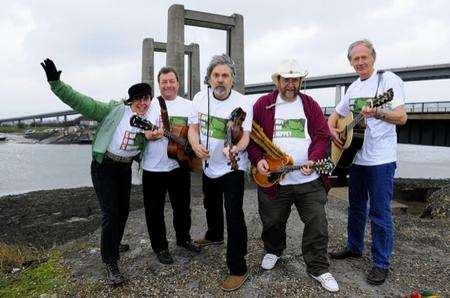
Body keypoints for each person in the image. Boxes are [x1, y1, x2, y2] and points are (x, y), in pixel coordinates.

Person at [41, 58, 151, 286]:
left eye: (147, 98)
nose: (143, 103)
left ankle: (114, 242)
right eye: (139, 99)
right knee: (111, 212)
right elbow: (83, 103)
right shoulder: (113, 111)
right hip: (104, 167)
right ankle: (111, 262)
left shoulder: (150, 119)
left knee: (123, 211)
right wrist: (56, 83)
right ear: (131, 100)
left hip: (125, 168)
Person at [247, 59, 339, 293]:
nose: (291, 84)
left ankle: (318, 267)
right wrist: (259, 160)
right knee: (272, 221)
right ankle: (274, 249)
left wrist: (314, 158)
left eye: (295, 79)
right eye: (286, 79)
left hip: (308, 180)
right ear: (278, 80)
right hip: (276, 180)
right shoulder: (263, 104)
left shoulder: (310, 104)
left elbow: (321, 135)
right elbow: (252, 139)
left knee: (317, 223)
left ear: (300, 81)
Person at [328, 39, 407, 285]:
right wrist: (333, 130)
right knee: (356, 207)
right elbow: (335, 116)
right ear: (350, 62)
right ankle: (354, 246)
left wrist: (379, 112)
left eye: (364, 57)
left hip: (381, 160)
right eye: (355, 59)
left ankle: (381, 263)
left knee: (379, 212)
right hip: (356, 159)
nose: (360, 62)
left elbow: (402, 117)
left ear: (373, 57)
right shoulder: (352, 88)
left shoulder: (388, 81)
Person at [187, 54, 252, 292]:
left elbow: (245, 135)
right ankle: (215, 234)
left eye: (225, 75)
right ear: (210, 78)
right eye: (216, 75)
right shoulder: (199, 98)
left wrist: (235, 149)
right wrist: (195, 145)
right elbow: (193, 128)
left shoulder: (244, 103)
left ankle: (238, 268)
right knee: (210, 203)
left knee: (234, 214)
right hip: (208, 164)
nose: (220, 80)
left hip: (232, 166)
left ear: (232, 79)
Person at [141, 67, 201, 265]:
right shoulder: (150, 106)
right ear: (159, 84)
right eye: (163, 82)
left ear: (178, 83)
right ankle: (160, 248)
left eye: (171, 81)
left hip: (180, 165)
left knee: (183, 207)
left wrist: (193, 149)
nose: (167, 85)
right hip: (153, 168)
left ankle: (183, 239)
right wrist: (148, 134)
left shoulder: (189, 105)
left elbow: (193, 132)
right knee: (154, 211)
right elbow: (140, 130)